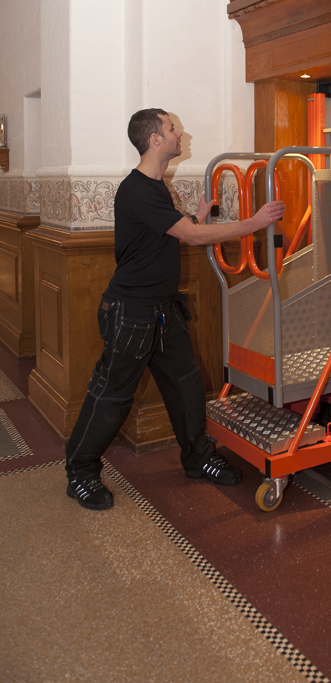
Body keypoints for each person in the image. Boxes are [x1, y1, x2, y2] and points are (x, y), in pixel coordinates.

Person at [65, 108, 285, 511]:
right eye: (171, 129)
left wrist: (195, 217)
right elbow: (192, 238)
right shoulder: (136, 189)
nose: (179, 134)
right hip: (131, 312)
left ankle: (197, 458)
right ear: (154, 139)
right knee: (112, 396)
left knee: (187, 386)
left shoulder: (156, 187)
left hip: (164, 310)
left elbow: (167, 234)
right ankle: (80, 471)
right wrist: (254, 222)